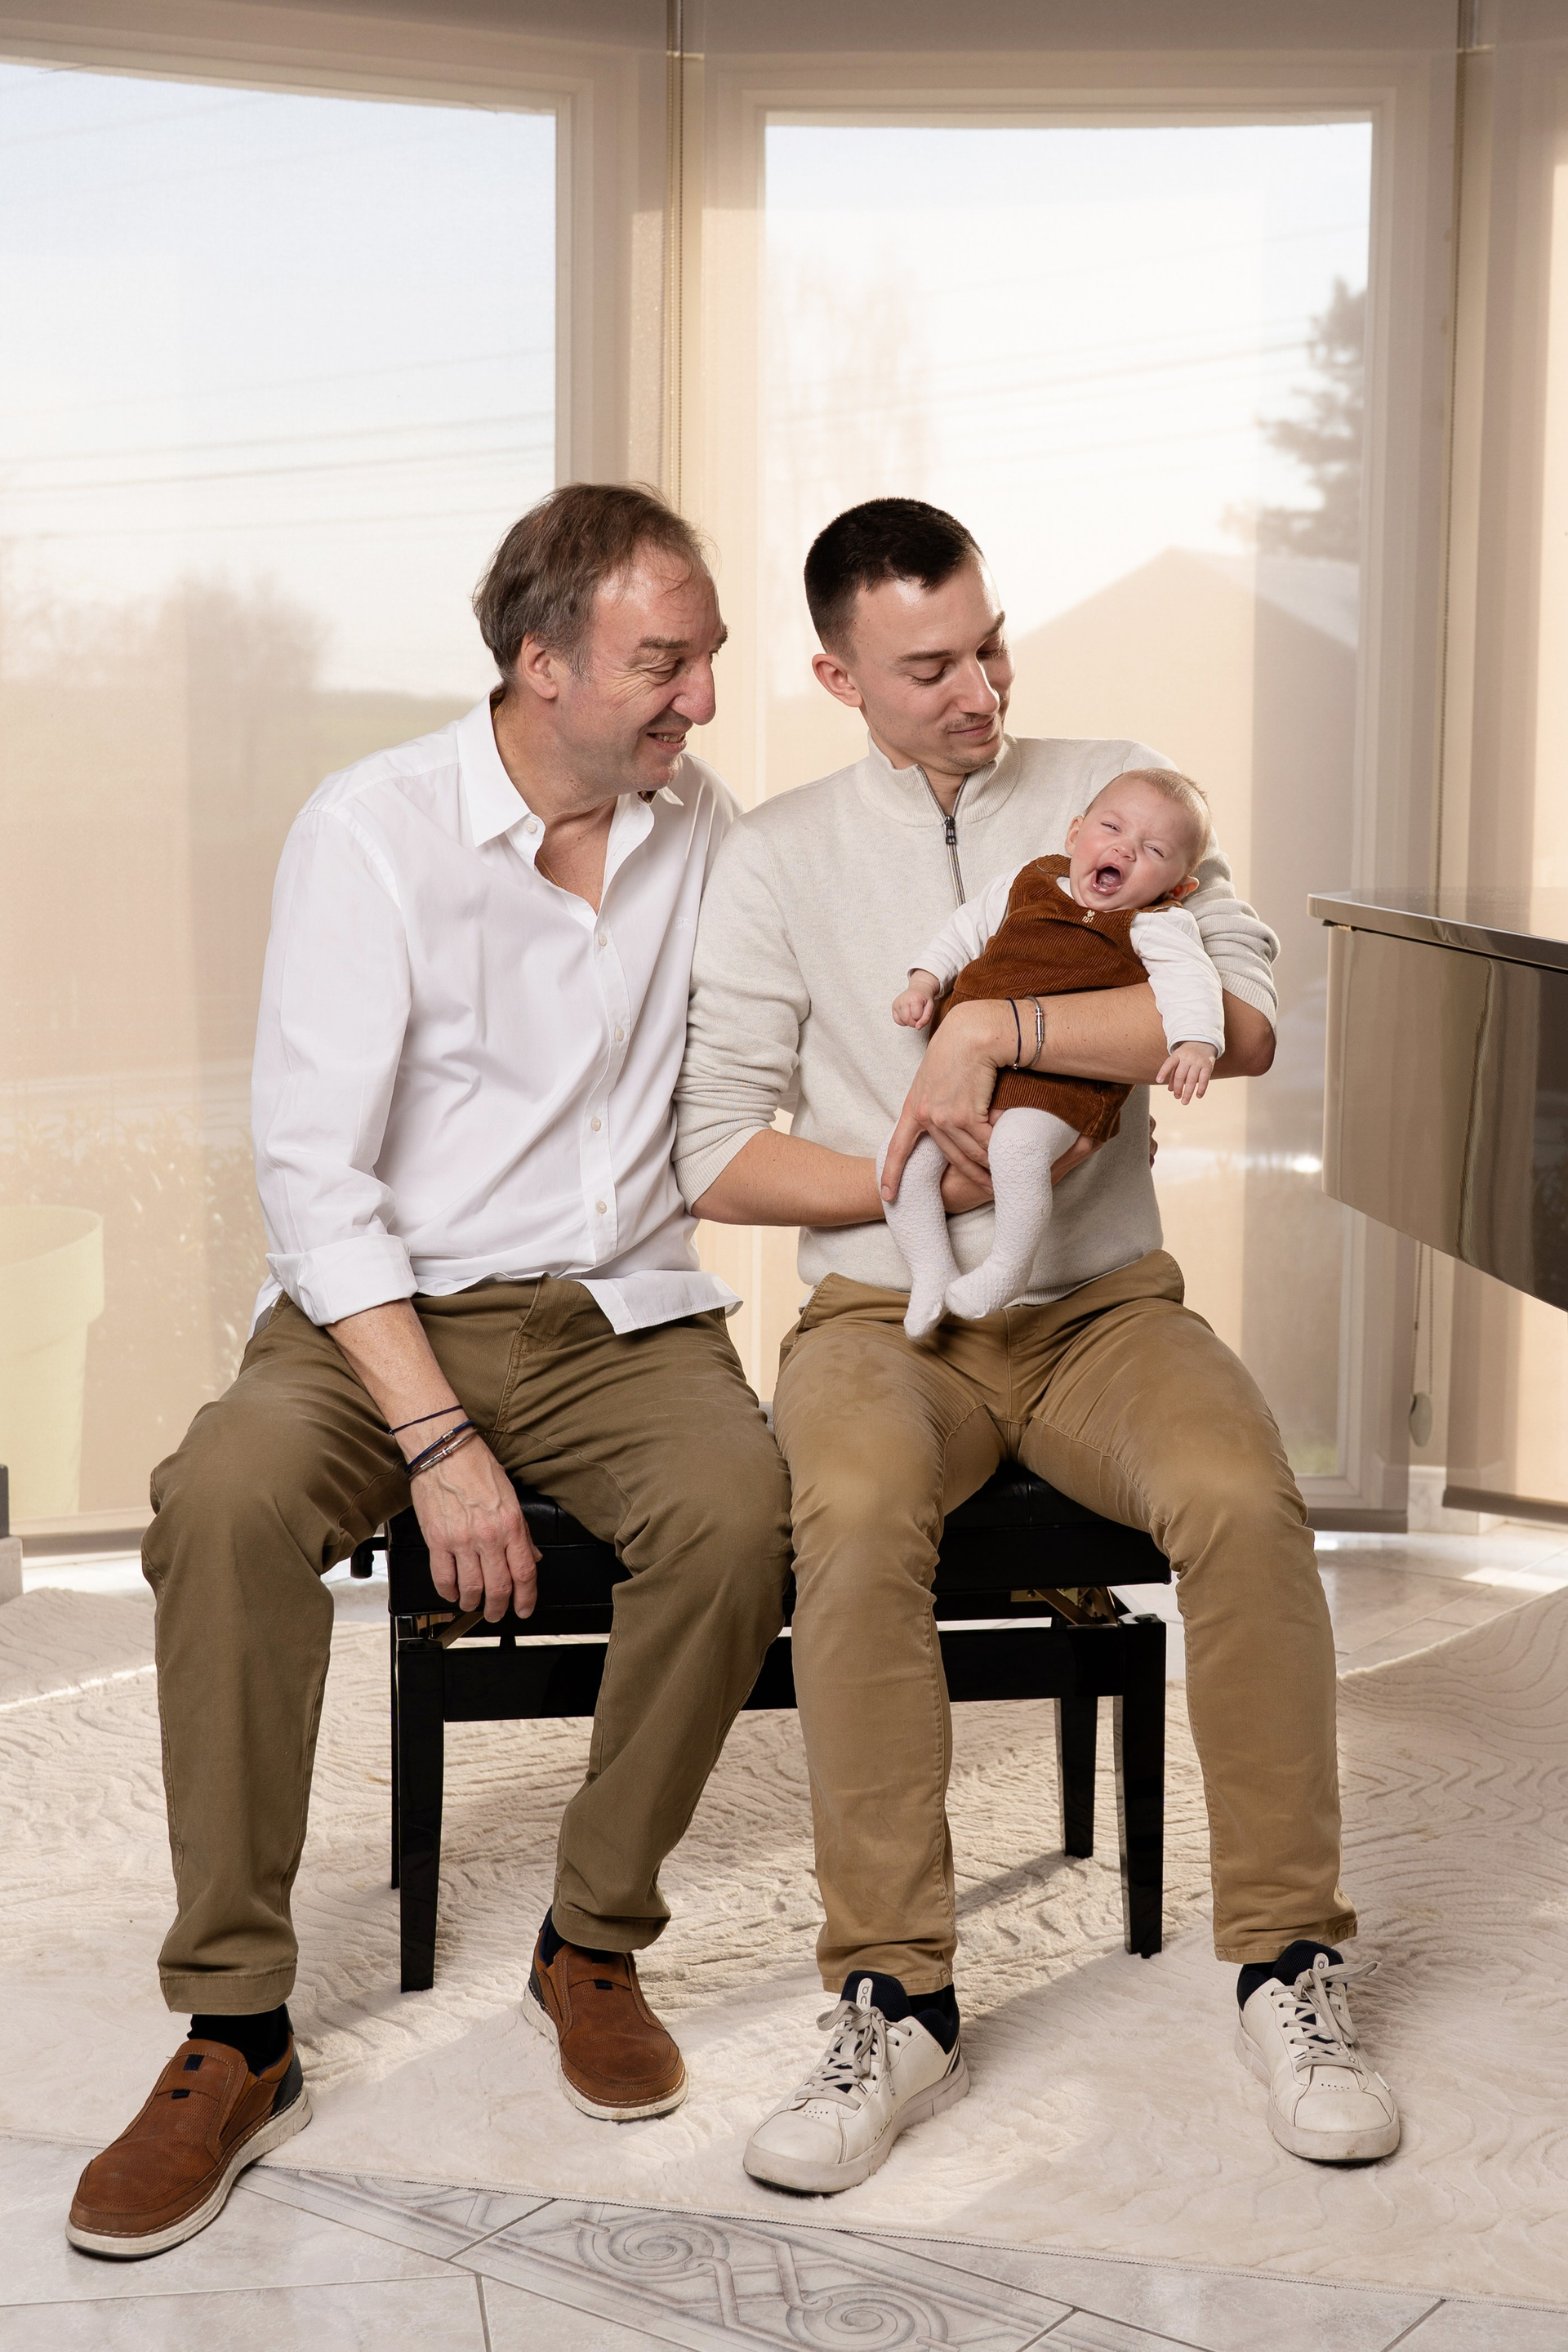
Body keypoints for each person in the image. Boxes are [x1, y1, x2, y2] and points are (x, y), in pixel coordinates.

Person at [68, 483, 793, 2261]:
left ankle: (591, 1939)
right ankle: (236, 2029)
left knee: (739, 1514)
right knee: (222, 1503)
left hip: (621, 1314)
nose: (701, 698)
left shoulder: (704, 829)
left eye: (707, 658)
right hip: (378, 1312)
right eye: (665, 662)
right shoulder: (372, 831)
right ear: (542, 662)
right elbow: (315, 1181)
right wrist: (439, 1439)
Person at [676, 496, 1400, 2195]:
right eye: (930, 667)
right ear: (840, 677)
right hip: (886, 1316)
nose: (981, 692)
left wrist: (994, 1026)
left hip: (1100, 1311)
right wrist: (910, 1173)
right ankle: (895, 1996)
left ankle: (1288, 1964)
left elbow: (1242, 1019)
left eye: (991, 647)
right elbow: (713, 1146)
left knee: (1246, 1499)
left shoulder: (1121, 793)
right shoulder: (776, 856)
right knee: (852, 1518)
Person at [886, 765, 1224, 1336]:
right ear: (1074, 834)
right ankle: (930, 1271)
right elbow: (966, 929)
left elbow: (1193, 982)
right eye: (1112, 827)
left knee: (1017, 1149)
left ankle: (1008, 1266)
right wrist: (924, 980)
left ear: (1178, 888)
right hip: (970, 1077)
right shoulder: (1030, 882)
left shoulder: (1155, 925)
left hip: (1062, 1087)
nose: (1125, 848)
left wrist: (1197, 1042)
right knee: (900, 1166)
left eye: (1154, 850)